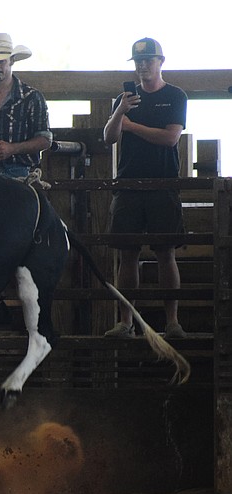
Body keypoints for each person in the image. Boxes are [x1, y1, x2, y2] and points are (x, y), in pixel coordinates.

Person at [103, 37, 187, 340]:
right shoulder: (124, 99)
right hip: (128, 184)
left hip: (163, 183)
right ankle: (125, 322)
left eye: (148, 60)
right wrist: (119, 113)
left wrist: (132, 125)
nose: (142, 66)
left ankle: (172, 322)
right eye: (138, 61)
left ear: (160, 62)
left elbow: (170, 138)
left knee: (166, 253)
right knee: (127, 254)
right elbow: (109, 138)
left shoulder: (176, 96)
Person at [0, 33, 52, 178]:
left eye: (1, 62)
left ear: (12, 61)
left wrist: (13, 148)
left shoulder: (32, 98)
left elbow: (45, 140)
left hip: (18, 170)